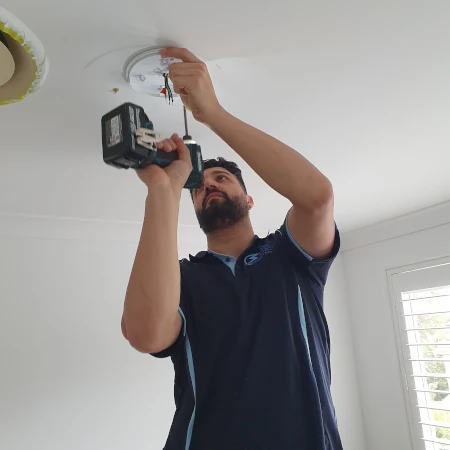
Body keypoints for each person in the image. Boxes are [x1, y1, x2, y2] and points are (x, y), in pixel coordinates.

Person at [121, 47, 343, 450]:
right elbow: (146, 335)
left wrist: (212, 114)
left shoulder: (292, 257)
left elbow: (317, 198)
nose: (209, 185)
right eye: (200, 185)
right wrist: (165, 188)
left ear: (249, 198)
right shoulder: (182, 278)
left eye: (222, 178)